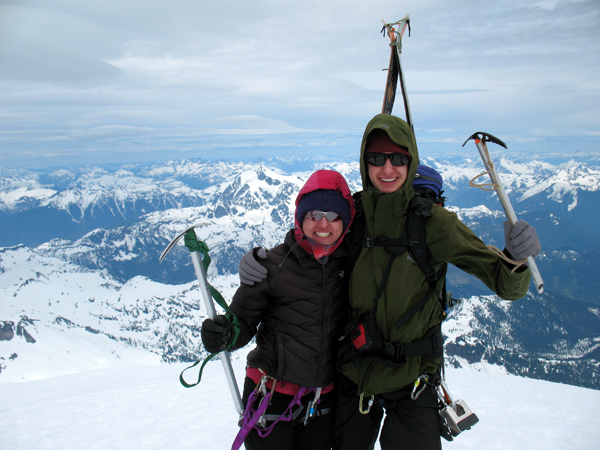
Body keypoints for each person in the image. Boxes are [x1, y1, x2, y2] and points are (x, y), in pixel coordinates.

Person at [239, 114, 541, 450]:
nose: (387, 169)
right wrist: (260, 262)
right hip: (353, 374)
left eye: (398, 159)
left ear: (410, 162)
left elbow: (506, 285)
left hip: (412, 376)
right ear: (364, 163)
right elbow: (311, 245)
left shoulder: (435, 224)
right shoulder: (354, 215)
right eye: (376, 159)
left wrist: (516, 259)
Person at [201, 169, 355, 450]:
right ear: (301, 218)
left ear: (345, 221)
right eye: (314, 215)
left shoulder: (351, 264)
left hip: (320, 400)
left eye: (333, 216)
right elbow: (243, 322)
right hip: (270, 395)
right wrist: (225, 334)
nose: (324, 224)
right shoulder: (273, 264)